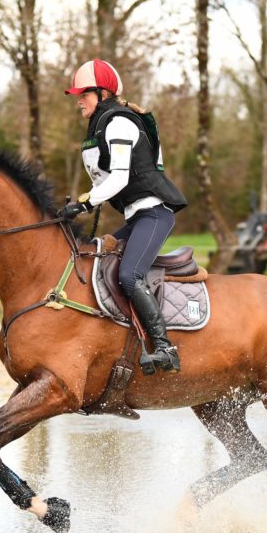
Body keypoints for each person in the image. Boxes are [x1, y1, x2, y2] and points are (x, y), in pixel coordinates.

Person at [58, 59, 188, 374]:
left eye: (84, 95)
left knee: (129, 275)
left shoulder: (119, 123)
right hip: (136, 217)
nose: (79, 101)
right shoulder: (102, 125)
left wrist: (83, 203)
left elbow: (116, 179)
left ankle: (165, 348)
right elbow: (104, 182)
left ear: (103, 93)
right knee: (98, 257)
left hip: (154, 214)